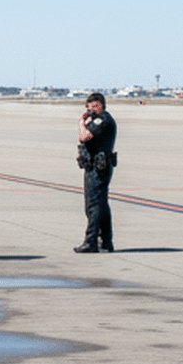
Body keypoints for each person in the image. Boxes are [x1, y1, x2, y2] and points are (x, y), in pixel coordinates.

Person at [74, 92, 118, 253]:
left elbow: (84, 136)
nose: (90, 110)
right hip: (92, 166)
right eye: (88, 107)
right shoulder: (94, 120)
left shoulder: (103, 120)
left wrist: (81, 122)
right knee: (100, 205)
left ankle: (91, 240)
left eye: (93, 107)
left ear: (100, 105)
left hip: (99, 168)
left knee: (93, 205)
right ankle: (105, 241)